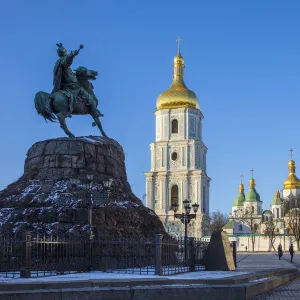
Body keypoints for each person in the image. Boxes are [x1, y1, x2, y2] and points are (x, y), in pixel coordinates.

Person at [52, 43, 100, 116]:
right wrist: (73, 54)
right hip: (73, 86)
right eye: (66, 52)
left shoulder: (58, 62)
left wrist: (61, 48)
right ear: (65, 53)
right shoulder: (63, 61)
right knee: (91, 99)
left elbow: (67, 72)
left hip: (65, 85)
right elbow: (67, 60)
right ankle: (95, 112)